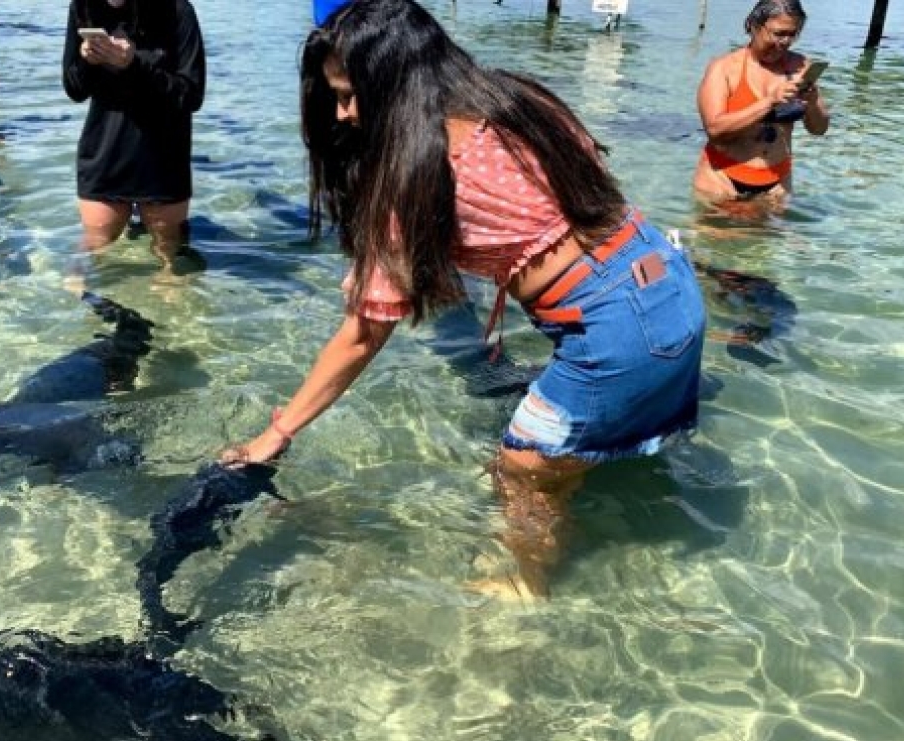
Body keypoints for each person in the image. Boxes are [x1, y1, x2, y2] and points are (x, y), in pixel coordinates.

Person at [224, 0, 706, 600]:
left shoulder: (413, 174)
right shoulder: (518, 100)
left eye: (350, 95)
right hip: (668, 282)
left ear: (392, 85)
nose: (343, 115)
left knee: (520, 470)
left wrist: (276, 434)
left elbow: (361, 337)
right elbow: (556, 202)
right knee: (571, 459)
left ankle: (521, 592)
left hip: (613, 330)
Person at [61, 0, 206, 275]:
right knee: (91, 252)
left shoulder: (177, 10)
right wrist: (88, 62)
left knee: (169, 256)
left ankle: (170, 317)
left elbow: (191, 95)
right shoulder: (84, 6)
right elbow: (74, 89)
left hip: (162, 155)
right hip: (105, 149)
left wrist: (133, 65)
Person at [693, 0, 830, 201]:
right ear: (754, 26)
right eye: (778, 33)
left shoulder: (799, 67)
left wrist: (813, 100)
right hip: (722, 181)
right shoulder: (723, 69)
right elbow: (715, 130)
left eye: (792, 34)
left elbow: (819, 129)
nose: (784, 42)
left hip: (777, 185)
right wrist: (769, 101)